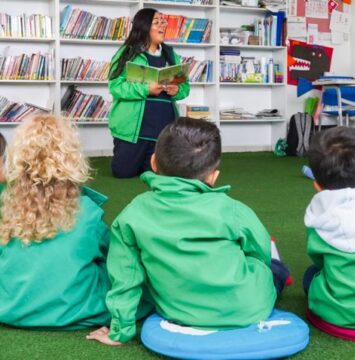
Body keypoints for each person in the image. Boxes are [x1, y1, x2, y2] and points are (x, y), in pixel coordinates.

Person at [87, 117, 289, 345]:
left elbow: (125, 277)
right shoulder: (233, 209)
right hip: (251, 306)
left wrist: (119, 331)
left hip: (179, 311)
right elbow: (259, 251)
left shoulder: (132, 214)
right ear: (213, 176)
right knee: (274, 267)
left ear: (153, 162)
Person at [0, 115, 111, 329]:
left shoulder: (7, 206)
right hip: (73, 311)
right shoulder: (87, 212)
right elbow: (111, 258)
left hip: (10, 308)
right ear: (73, 159)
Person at [108, 8, 190, 178]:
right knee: (123, 173)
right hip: (133, 129)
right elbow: (115, 87)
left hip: (163, 128)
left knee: (155, 174)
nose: (163, 25)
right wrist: (146, 89)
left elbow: (185, 88)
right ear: (144, 27)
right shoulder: (127, 53)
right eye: (157, 22)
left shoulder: (171, 54)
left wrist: (176, 90)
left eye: (163, 21)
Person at [303, 126, 355, 329]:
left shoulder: (319, 216)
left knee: (311, 275)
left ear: (317, 185)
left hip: (337, 312)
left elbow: (318, 260)